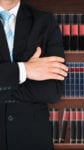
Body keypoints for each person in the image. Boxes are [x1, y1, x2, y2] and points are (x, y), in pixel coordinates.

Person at [0, 0, 68, 149]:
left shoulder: (45, 22)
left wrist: (6, 80)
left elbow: (53, 91)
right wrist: (25, 70)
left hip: (33, 140)